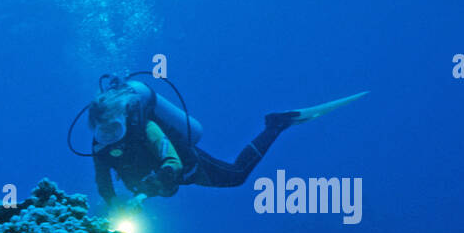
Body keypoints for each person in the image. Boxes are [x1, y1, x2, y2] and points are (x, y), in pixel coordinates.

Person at [87, 79, 366, 209]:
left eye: (115, 129)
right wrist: (114, 204)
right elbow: (103, 183)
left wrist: (157, 179)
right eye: (103, 132)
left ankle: (276, 124)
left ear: (124, 119)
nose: (111, 137)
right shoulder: (99, 147)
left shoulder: (146, 128)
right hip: (155, 184)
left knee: (236, 176)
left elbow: (171, 160)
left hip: (187, 166)